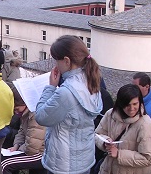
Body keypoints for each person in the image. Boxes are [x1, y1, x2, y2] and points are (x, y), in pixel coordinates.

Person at [35, 35, 103, 173]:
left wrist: (51, 87)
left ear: (66, 61)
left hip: (63, 163)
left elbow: (41, 117)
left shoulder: (67, 92)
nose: (55, 65)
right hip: (84, 158)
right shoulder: (91, 80)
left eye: (56, 60)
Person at [95, 84, 151, 173]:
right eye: (127, 105)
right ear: (120, 103)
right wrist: (105, 142)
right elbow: (97, 134)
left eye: (135, 104)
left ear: (140, 102)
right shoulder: (110, 114)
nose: (132, 108)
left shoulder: (145, 124)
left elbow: (148, 158)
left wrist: (118, 154)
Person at [1, 83, 47, 174]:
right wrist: (16, 145)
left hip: (41, 153)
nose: (16, 112)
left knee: (4, 163)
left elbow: (32, 148)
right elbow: (22, 131)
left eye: (17, 109)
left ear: (24, 102)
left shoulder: (35, 115)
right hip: (33, 149)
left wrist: (18, 151)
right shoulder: (26, 112)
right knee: (4, 159)